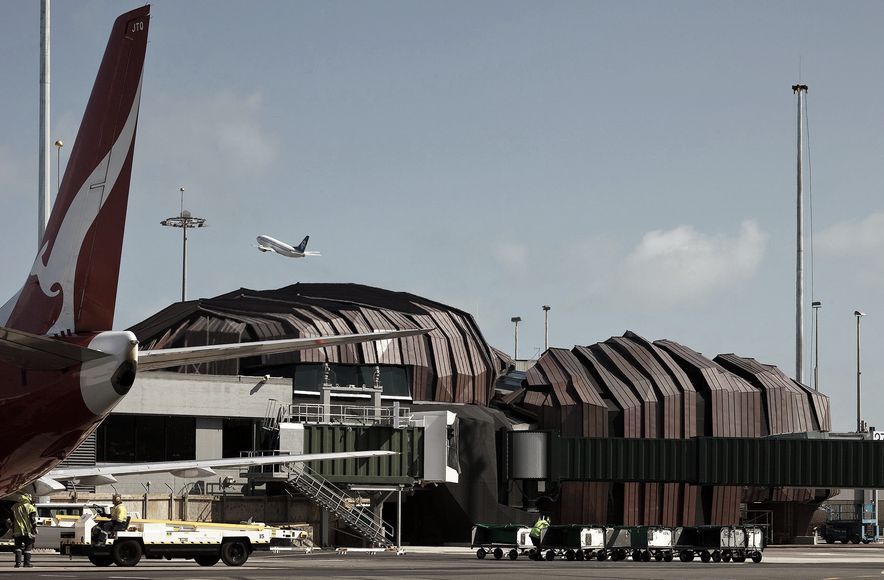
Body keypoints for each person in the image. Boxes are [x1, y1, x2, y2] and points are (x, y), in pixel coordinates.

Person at [12, 493, 37, 568]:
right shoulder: (30, 507)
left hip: (17, 531)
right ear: (28, 498)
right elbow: (32, 519)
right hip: (27, 531)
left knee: (18, 548)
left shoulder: (14, 507)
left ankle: (18, 563)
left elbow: (11, 519)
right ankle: (26, 563)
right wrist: (34, 528)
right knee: (28, 548)